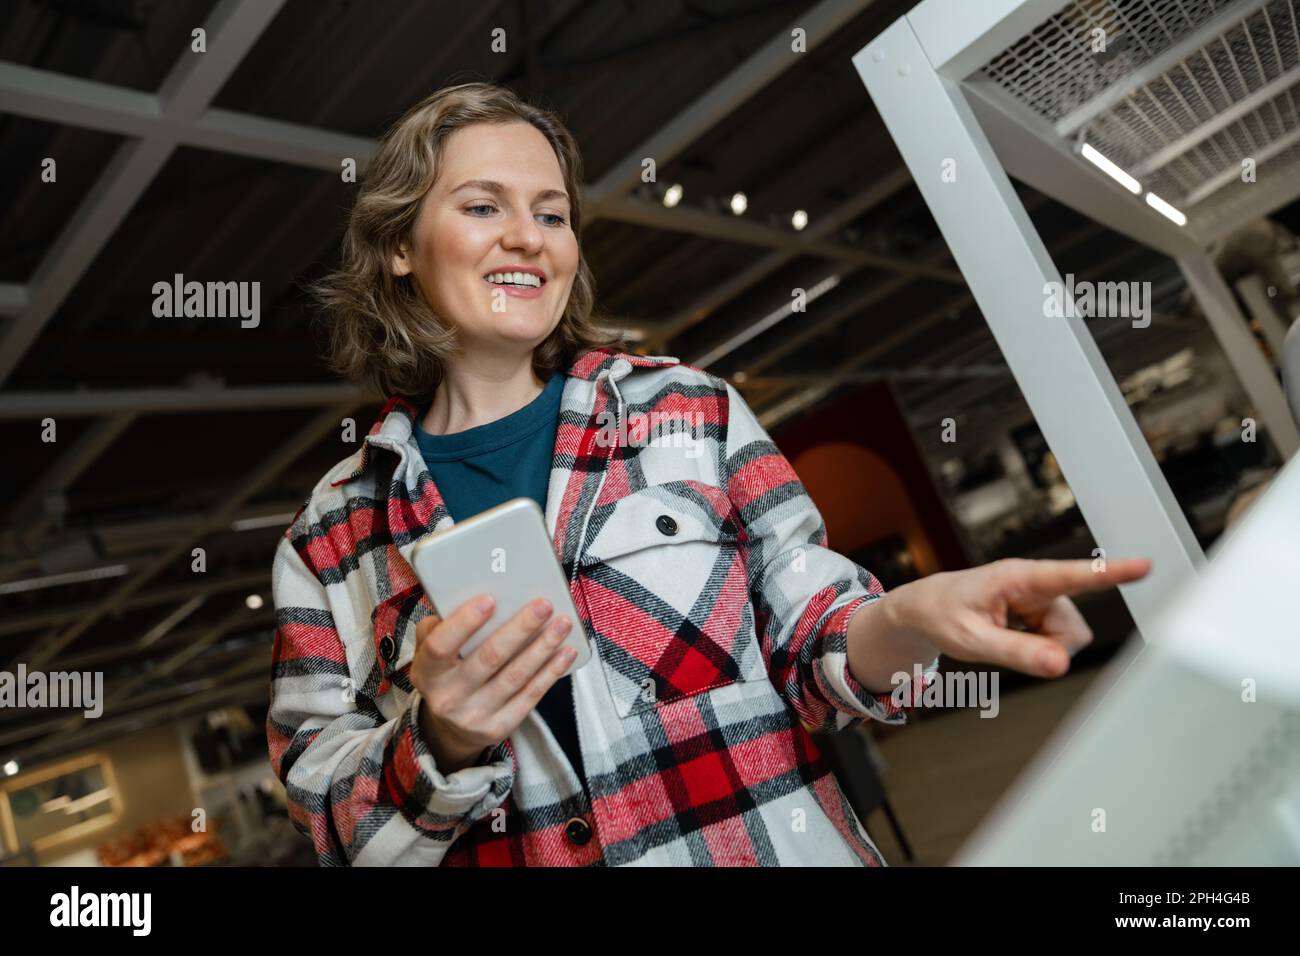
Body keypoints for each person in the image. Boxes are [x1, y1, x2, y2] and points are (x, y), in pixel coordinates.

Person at [267, 82, 1150, 867]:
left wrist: (909, 616)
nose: (527, 239)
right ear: (397, 246)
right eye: (482, 206)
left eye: (551, 212)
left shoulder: (690, 412)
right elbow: (330, 818)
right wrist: (439, 741)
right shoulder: (333, 540)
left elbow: (815, 638)